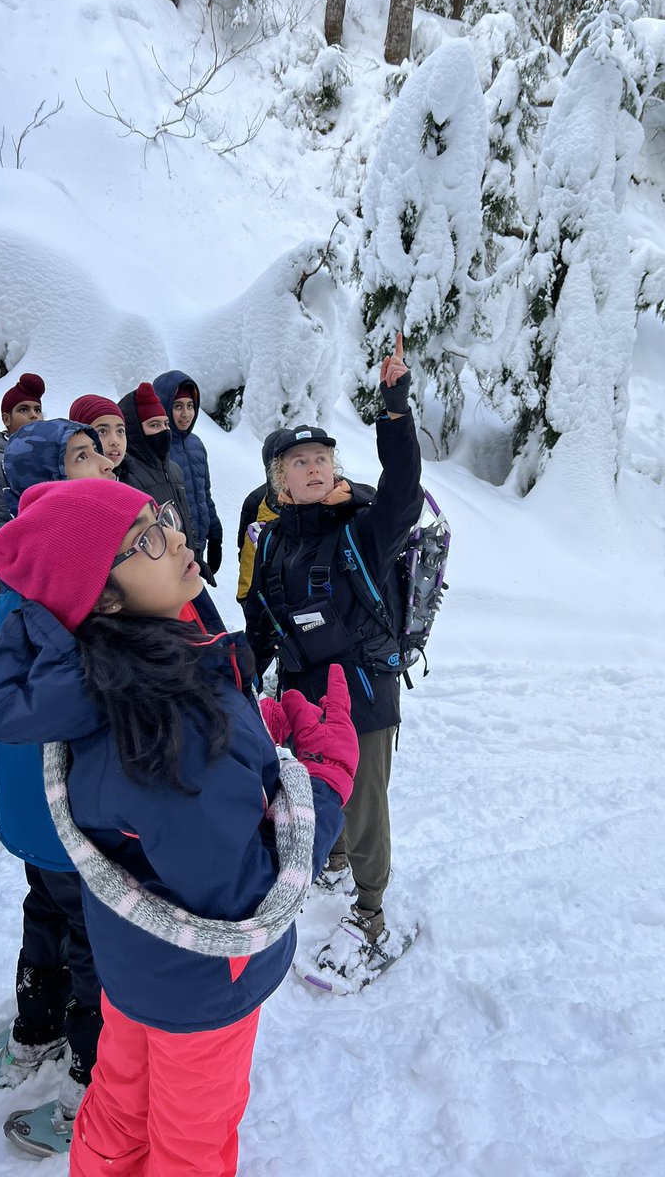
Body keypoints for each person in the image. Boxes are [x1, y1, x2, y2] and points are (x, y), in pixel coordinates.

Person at [0, 479, 355, 1176]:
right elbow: (245, 893)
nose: (177, 537)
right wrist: (323, 778)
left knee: (122, 1105)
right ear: (103, 597)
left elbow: (164, 812)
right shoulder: (163, 736)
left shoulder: (111, 680)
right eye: (145, 539)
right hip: (201, 986)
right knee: (190, 1146)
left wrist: (254, 739)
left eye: (163, 519)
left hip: (134, 968)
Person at [0, 420, 115, 1129]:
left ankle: (42, 1024)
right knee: (81, 932)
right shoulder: (65, 564)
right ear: (43, 484)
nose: (104, 461)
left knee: (49, 912)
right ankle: (89, 1061)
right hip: (62, 798)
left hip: (37, 797)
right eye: (83, 455)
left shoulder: (27, 556)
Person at [243, 334, 421, 986]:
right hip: (303, 696)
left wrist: (395, 413)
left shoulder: (362, 532)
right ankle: (336, 861)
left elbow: (403, 493)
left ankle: (371, 912)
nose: (315, 467)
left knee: (367, 804)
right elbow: (261, 620)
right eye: (300, 461)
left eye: (322, 456)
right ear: (279, 482)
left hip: (366, 694)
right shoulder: (270, 547)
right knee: (314, 792)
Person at [116, 382, 213, 584]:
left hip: (184, 565)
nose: (163, 431)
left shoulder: (173, 469)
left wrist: (195, 553)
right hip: (157, 578)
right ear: (134, 430)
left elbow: (185, 516)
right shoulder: (125, 476)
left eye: (165, 424)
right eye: (154, 425)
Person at [0, 373, 45, 592]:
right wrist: (4, 589)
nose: (33, 415)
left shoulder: (57, 459)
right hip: (20, 582)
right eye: (24, 410)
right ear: (6, 419)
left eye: (37, 409)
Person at [152, 371, 223, 581]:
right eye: (177, 406)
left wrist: (215, 533)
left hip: (199, 545)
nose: (185, 414)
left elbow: (203, 493)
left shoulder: (196, 445)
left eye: (190, 406)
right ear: (164, 406)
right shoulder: (158, 448)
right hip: (173, 548)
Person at [235, 429, 283, 605]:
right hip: (263, 600)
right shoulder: (256, 501)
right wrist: (247, 599)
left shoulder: (313, 497)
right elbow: (246, 555)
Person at [68, 395, 128, 475]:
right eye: (102, 432)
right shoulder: (69, 483)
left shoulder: (135, 478)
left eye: (120, 431)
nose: (115, 441)